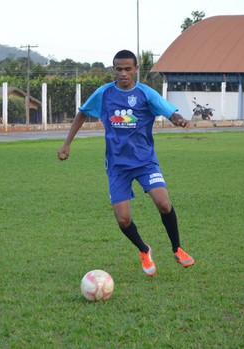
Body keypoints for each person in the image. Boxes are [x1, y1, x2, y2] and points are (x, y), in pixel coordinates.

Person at [57, 49, 194, 277]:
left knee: (163, 203)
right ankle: (144, 249)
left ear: (136, 70)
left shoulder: (146, 94)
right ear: (114, 69)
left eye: (128, 69)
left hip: (145, 162)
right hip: (117, 165)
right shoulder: (104, 93)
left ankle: (177, 248)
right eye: (119, 69)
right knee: (123, 219)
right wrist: (67, 143)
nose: (123, 73)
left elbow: (169, 112)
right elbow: (82, 114)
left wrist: (179, 120)